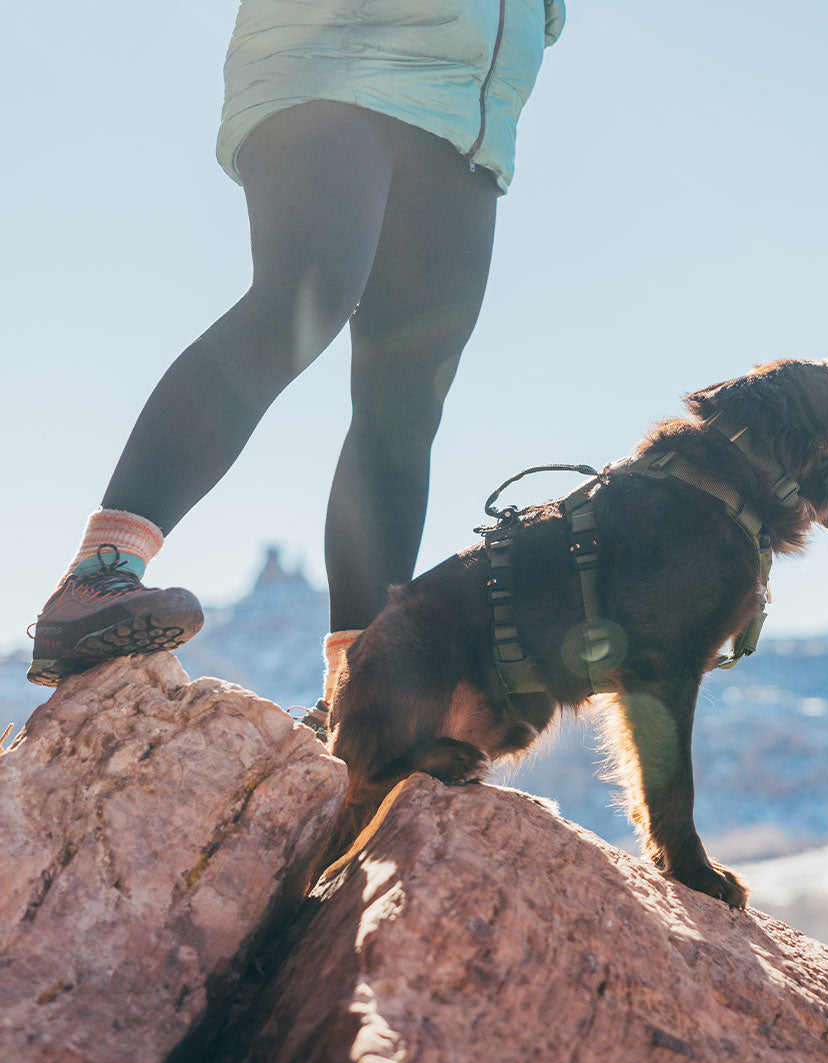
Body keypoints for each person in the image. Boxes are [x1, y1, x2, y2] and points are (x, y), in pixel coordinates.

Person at [27, 0, 567, 719]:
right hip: (334, 60)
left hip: (469, 121)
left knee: (406, 398)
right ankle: (100, 576)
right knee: (301, 303)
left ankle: (360, 690)